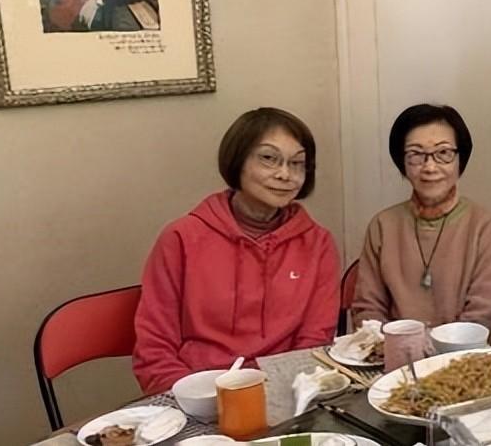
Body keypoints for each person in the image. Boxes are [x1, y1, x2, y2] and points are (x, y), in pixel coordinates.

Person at [133, 108, 340, 394]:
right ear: (237, 159)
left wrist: (280, 394)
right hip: (196, 392)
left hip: (285, 390)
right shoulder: (181, 238)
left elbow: (314, 342)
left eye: (297, 163)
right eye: (269, 158)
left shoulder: (318, 243)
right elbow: (154, 348)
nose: (285, 174)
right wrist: (196, 397)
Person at [351, 105, 491, 327]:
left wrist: (438, 346)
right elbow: (368, 309)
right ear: (402, 161)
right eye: (416, 154)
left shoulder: (488, 227)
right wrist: (392, 342)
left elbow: (482, 315)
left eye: (443, 153)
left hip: (465, 347)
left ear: (460, 159)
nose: (430, 167)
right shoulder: (383, 225)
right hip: (394, 346)